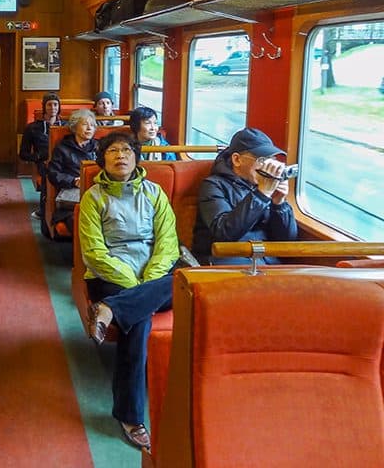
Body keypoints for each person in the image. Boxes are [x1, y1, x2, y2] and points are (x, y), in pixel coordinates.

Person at [78, 131, 179, 451]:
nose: (120, 155)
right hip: (111, 275)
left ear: (137, 158)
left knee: (179, 281)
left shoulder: (155, 193)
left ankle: (109, 311)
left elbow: (167, 243)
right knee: (137, 321)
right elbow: (94, 252)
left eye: (126, 150)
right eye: (112, 151)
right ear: (103, 160)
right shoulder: (93, 198)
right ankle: (131, 416)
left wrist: (149, 280)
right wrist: (136, 288)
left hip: (155, 275)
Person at [192, 127, 297, 265]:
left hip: (265, 259)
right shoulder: (213, 185)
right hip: (226, 259)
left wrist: (279, 204)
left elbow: (287, 242)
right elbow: (224, 233)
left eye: (271, 160)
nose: (266, 167)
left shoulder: (266, 186)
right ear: (237, 159)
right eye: (262, 160)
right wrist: (261, 195)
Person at [46, 109, 99, 234]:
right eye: (85, 124)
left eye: (92, 125)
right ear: (74, 127)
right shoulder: (62, 148)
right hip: (72, 197)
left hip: (97, 192)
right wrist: (73, 181)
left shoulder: (100, 147)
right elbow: (53, 173)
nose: (89, 128)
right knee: (79, 220)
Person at [19, 92, 66, 220]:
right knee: (49, 172)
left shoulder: (66, 126)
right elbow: (23, 154)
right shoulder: (32, 128)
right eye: (49, 105)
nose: (53, 108)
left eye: (56, 104)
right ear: (44, 107)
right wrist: (39, 156)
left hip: (65, 161)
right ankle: (46, 208)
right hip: (45, 162)